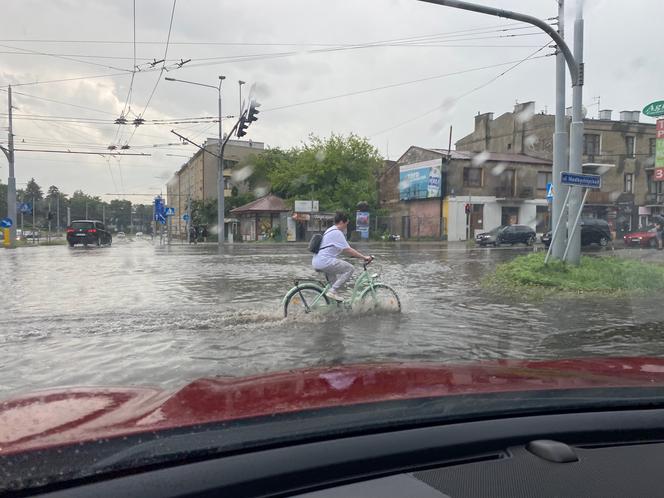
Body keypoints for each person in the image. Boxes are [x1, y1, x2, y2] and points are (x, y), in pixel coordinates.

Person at [312, 212, 372, 301]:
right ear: (341, 222)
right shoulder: (337, 232)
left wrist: (354, 255)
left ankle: (335, 306)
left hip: (318, 261)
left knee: (334, 286)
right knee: (350, 268)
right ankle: (332, 291)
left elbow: (341, 250)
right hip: (325, 262)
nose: (346, 227)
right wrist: (364, 257)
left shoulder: (329, 230)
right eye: (346, 224)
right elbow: (348, 250)